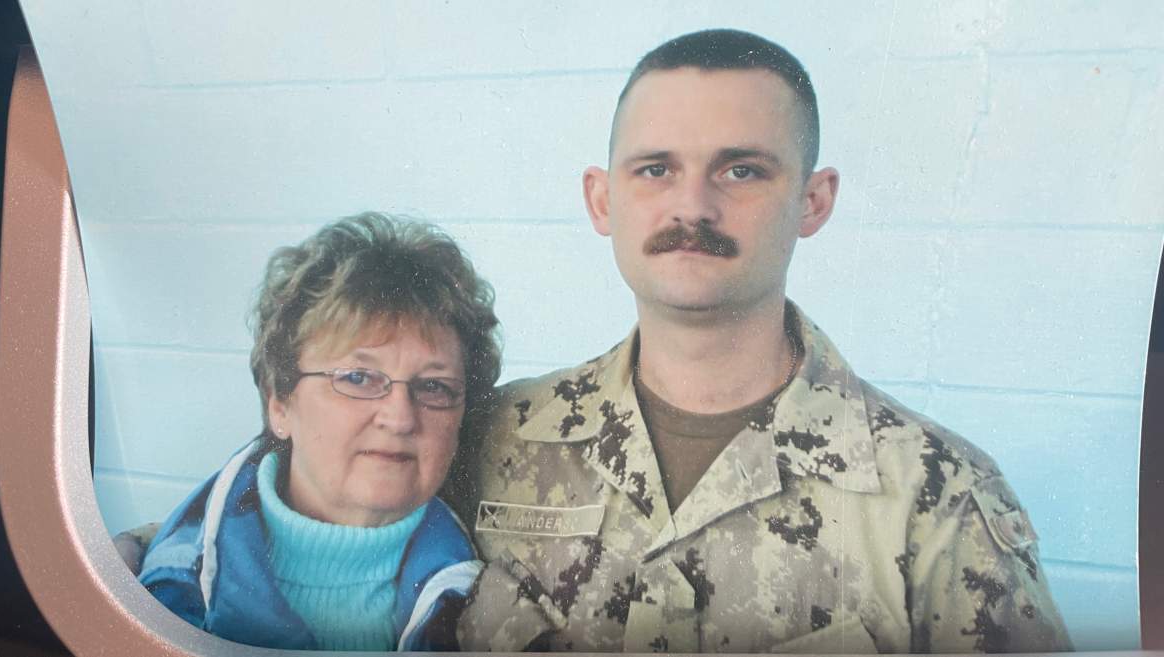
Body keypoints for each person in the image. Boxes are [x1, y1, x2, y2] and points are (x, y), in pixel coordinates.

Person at [448, 29, 1072, 653]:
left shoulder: (937, 496)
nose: (691, 206)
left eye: (741, 170)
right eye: (656, 169)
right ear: (602, 198)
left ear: (813, 201)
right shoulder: (489, 437)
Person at [134, 213, 501, 651]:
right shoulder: (153, 590)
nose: (400, 418)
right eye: (358, 378)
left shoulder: (485, 598)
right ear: (279, 402)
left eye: (434, 386)